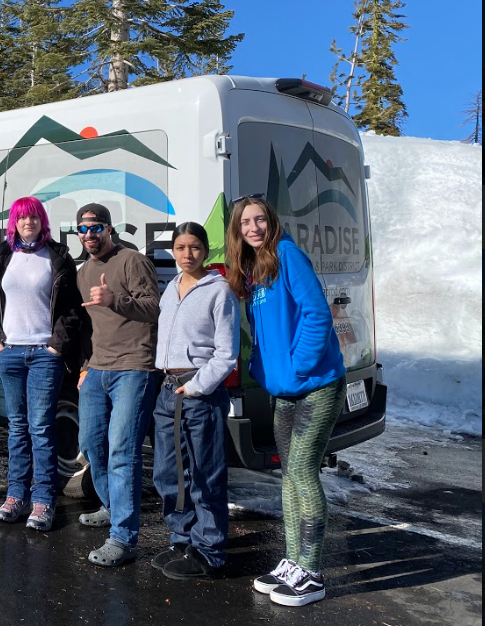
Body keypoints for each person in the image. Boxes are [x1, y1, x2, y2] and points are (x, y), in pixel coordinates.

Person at [225, 196, 346, 607]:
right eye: (246, 223)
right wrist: (264, 368)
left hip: (316, 384)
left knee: (302, 471)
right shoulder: (256, 268)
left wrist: (297, 367)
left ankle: (311, 573)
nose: (254, 227)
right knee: (289, 478)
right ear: (238, 230)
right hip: (285, 390)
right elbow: (263, 330)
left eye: (260, 219)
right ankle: (293, 561)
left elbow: (317, 313)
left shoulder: (288, 254)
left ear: (272, 221)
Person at [0, 196, 83, 531]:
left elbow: (71, 309)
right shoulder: (1, 256)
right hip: (9, 353)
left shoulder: (57, 256)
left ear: (43, 221)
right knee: (17, 427)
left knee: (40, 427)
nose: (28, 223)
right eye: (22, 218)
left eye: (34, 217)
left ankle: (43, 501)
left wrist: (55, 346)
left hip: (43, 355)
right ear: (14, 222)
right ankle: (15, 496)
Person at [151, 222, 240, 580]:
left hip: (198, 392)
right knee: (168, 472)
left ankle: (210, 550)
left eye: (195, 248)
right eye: (181, 247)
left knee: (205, 474)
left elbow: (226, 352)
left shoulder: (219, 291)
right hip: (167, 390)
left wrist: (198, 386)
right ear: (173, 250)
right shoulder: (170, 287)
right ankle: (181, 538)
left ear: (206, 251)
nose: (188, 255)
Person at [73, 204, 161, 565]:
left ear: (109, 229)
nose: (90, 234)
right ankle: (111, 505)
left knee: (122, 451)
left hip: (134, 368)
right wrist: (83, 368)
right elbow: (87, 326)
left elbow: (155, 307)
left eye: (96, 227)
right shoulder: (83, 272)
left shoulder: (132, 261)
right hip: (97, 369)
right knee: (92, 446)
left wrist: (116, 300)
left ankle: (123, 537)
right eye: (83, 228)